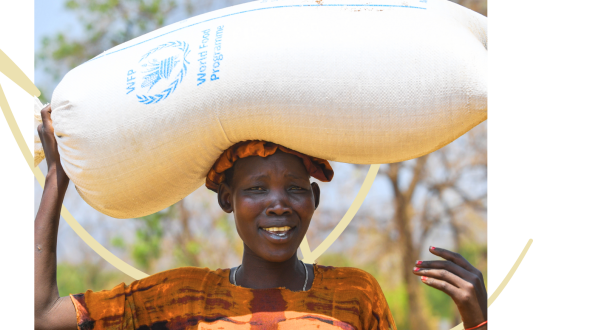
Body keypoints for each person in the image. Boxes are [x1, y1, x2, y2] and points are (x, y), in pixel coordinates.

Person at [34, 106, 489, 330]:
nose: (278, 204)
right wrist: (57, 177)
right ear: (227, 200)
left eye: (294, 189)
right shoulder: (178, 297)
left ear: (312, 199)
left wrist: (477, 321)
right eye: (256, 189)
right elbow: (44, 316)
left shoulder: (354, 294)